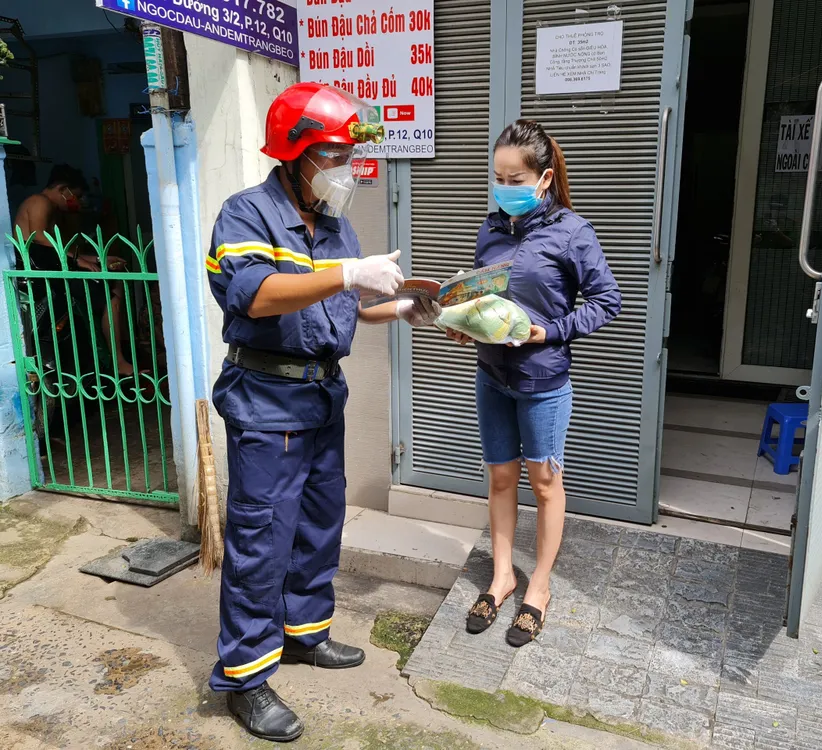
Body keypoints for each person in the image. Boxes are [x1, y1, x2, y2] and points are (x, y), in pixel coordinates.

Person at [205, 82, 439, 743]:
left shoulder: (335, 226)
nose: (345, 169)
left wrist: (398, 306)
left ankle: (305, 634)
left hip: (321, 396)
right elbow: (255, 295)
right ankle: (245, 678)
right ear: (298, 154)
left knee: (316, 525)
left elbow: (345, 305)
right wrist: (346, 274)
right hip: (267, 400)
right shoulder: (245, 215)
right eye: (333, 155)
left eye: (347, 156)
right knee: (260, 541)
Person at [448, 120, 621, 646]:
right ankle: (502, 577)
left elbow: (606, 302)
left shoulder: (572, 232)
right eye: (498, 177)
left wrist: (552, 332)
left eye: (516, 178)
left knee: (545, 484)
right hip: (491, 376)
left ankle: (538, 587)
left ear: (543, 179)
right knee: (500, 479)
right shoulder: (490, 228)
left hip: (543, 381)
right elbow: (488, 297)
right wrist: (464, 320)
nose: (505, 188)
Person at [14, 164, 135, 375]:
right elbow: (40, 239)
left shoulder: (51, 208)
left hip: (49, 270)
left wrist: (97, 258)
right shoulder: (40, 202)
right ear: (64, 189)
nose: (77, 201)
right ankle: (118, 361)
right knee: (112, 293)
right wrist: (80, 261)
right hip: (41, 276)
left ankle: (108, 358)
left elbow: (59, 248)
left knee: (111, 285)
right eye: (76, 195)